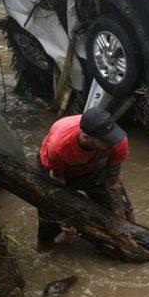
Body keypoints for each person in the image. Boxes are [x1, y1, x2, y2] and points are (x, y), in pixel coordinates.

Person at [37, 107, 134, 250]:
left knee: (125, 210)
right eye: (107, 140)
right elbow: (57, 179)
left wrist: (121, 218)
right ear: (86, 136)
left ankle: (133, 238)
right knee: (49, 221)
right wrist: (66, 216)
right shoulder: (59, 146)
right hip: (55, 172)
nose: (112, 143)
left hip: (92, 168)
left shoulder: (118, 141)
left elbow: (112, 182)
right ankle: (45, 249)